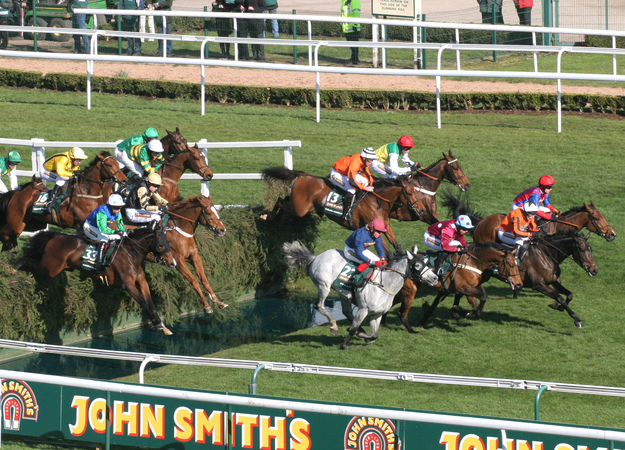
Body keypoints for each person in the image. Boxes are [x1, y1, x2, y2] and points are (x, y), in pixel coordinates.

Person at [329, 147, 377, 220]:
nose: (372, 162)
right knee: (352, 190)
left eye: (372, 160)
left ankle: (358, 203)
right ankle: (346, 213)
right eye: (370, 160)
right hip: (337, 174)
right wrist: (365, 188)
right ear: (364, 158)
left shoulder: (364, 161)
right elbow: (352, 181)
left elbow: (367, 174)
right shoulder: (356, 162)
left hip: (346, 173)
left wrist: (372, 183)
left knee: (365, 181)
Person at [83, 194, 128, 268]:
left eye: (120, 207)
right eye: (117, 208)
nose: (119, 210)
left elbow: (120, 225)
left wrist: (125, 231)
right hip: (89, 228)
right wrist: (116, 232)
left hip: (99, 228)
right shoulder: (102, 212)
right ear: (110, 206)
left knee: (118, 237)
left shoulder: (118, 212)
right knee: (104, 239)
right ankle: (99, 262)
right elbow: (103, 229)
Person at [341, 0, 361, 66]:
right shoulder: (344, 1)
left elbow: (356, 12)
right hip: (347, 27)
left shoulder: (354, 1)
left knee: (354, 45)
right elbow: (343, 14)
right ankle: (354, 59)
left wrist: (354, 24)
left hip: (353, 27)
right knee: (352, 44)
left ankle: (354, 60)